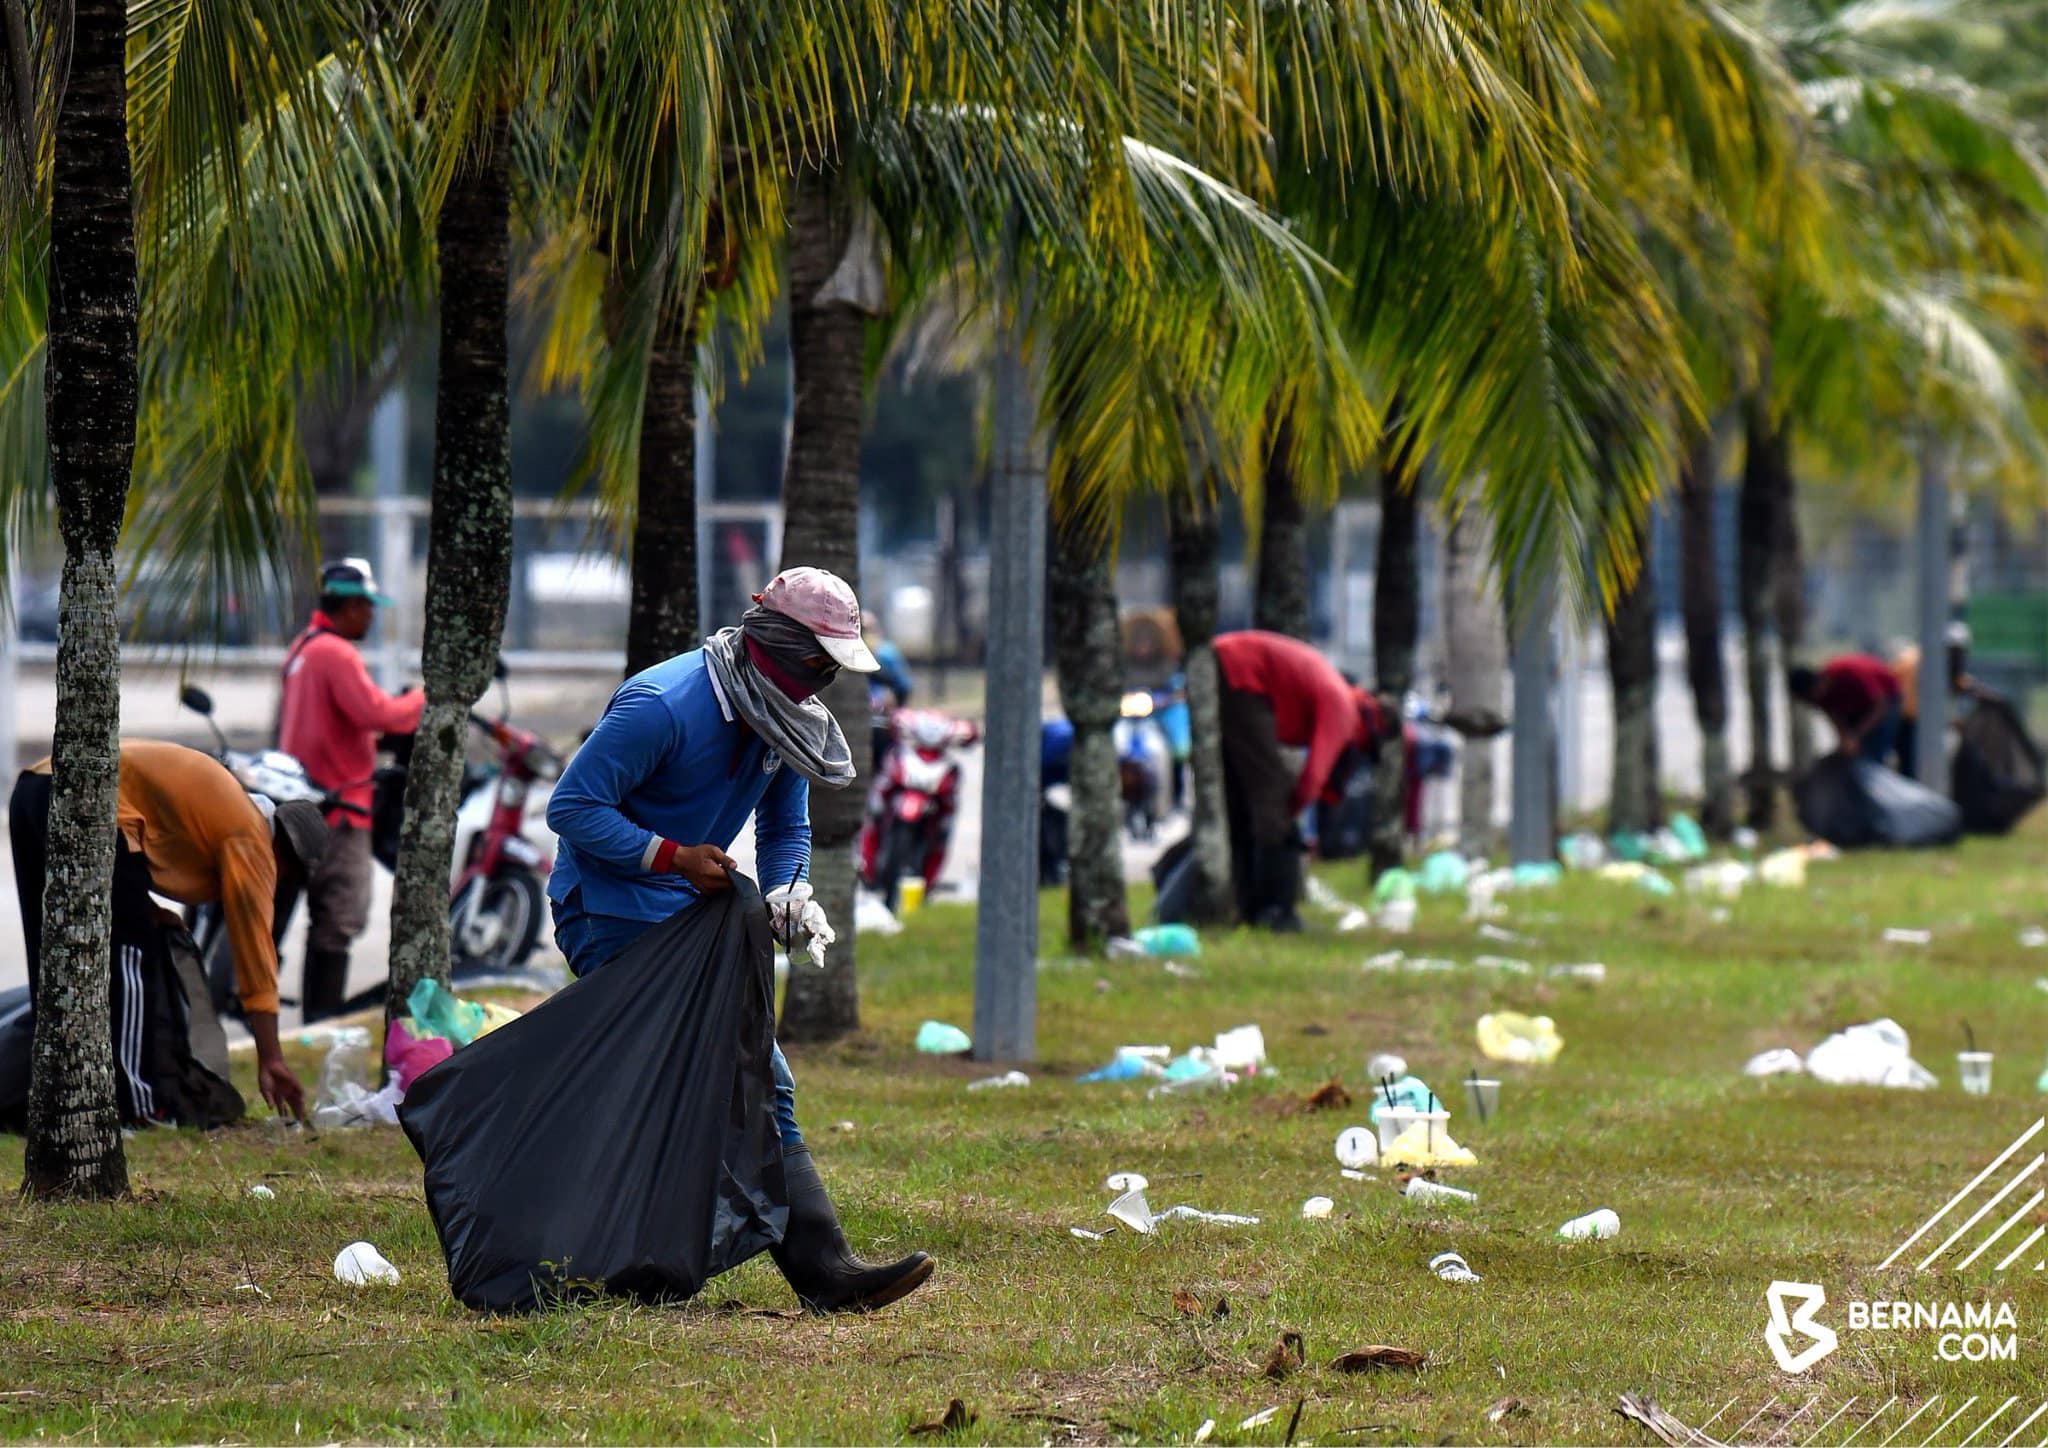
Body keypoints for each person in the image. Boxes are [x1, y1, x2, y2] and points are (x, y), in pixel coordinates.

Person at [546, 566, 934, 1314]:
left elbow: (786, 825)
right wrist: (670, 856)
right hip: (610, 907)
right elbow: (573, 807)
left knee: (729, 1078)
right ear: (779, 646)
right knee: (706, 1078)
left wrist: (789, 889)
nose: (822, 682)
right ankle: (813, 1275)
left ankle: (787, 1273)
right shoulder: (662, 705)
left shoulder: (780, 712)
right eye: (818, 663)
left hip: (693, 910)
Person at [9, 741, 328, 1124]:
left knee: (52, 961)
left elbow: (144, 842)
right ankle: (139, 1110)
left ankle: (43, 1101)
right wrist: (272, 1057)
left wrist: (147, 909)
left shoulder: (226, 810)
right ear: (285, 854)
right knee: (133, 964)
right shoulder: (253, 837)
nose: (278, 883)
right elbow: (255, 954)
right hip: (87, 799)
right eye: (288, 875)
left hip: (37, 787)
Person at [277, 559, 424, 1020]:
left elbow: (336, 722)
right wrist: (424, 696)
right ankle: (320, 1022)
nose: (371, 617)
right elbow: (377, 713)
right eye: (368, 608)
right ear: (353, 605)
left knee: (310, 913)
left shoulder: (302, 647)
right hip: (339, 807)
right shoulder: (336, 653)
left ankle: (310, 1017)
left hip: (300, 801)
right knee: (340, 918)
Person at [1213, 630, 1381, 931]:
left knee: (1242, 802)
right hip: (1243, 673)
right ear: (1372, 727)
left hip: (1233, 666)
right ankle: (1274, 910)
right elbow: (1314, 775)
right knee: (1272, 796)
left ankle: (1241, 904)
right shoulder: (1345, 709)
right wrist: (1291, 812)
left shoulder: (1336, 693)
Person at [1892, 622, 1984, 778]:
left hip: (1917, 722)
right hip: (1905, 722)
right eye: (1955, 651)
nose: (1959, 656)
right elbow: (1912, 706)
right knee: (1912, 770)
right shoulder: (1917, 663)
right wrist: (1947, 721)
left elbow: (1956, 680)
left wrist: (1979, 691)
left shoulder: (1935, 659)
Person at [1789, 652, 1904, 763]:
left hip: (1887, 697)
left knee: (1875, 746)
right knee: (1854, 753)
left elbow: (1880, 705)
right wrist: (1846, 740)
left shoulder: (1846, 671)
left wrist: (1856, 736)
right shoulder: (1819, 697)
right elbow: (1835, 719)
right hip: (1859, 706)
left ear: (1817, 683)